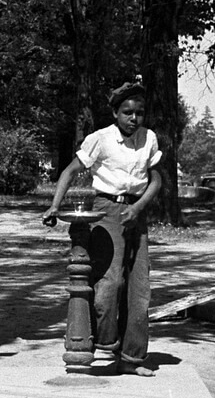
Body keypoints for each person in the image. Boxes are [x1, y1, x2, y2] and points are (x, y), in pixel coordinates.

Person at [42, 81, 163, 377]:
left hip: (137, 212)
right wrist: (55, 206)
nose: (134, 118)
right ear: (115, 113)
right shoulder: (101, 139)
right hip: (106, 210)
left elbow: (156, 180)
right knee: (108, 286)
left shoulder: (149, 139)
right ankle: (106, 342)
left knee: (139, 290)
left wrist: (138, 208)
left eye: (139, 113)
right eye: (127, 113)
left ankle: (131, 359)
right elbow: (71, 170)